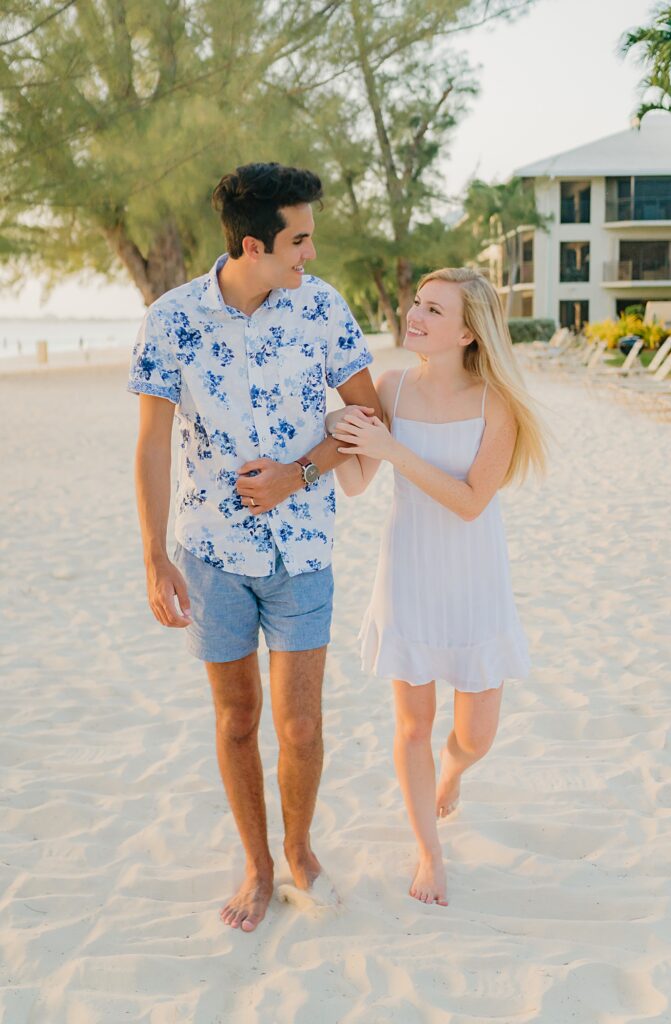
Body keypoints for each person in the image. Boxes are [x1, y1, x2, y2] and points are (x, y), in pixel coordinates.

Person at [128, 162, 380, 933]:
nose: (309, 253)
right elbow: (150, 444)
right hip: (209, 555)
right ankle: (256, 863)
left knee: (300, 724)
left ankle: (299, 851)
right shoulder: (170, 319)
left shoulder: (323, 309)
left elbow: (368, 420)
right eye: (297, 239)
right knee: (236, 719)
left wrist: (300, 474)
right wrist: (153, 554)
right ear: (251, 244)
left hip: (303, 552)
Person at [327, 267, 546, 907]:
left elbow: (472, 501)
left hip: (474, 575)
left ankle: (452, 773)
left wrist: (392, 450)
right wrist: (340, 430)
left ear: (469, 333)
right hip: (410, 570)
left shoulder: (495, 403)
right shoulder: (392, 386)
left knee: (476, 734)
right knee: (413, 724)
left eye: (433, 310)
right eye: (417, 303)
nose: (414, 316)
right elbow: (358, 481)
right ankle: (429, 852)